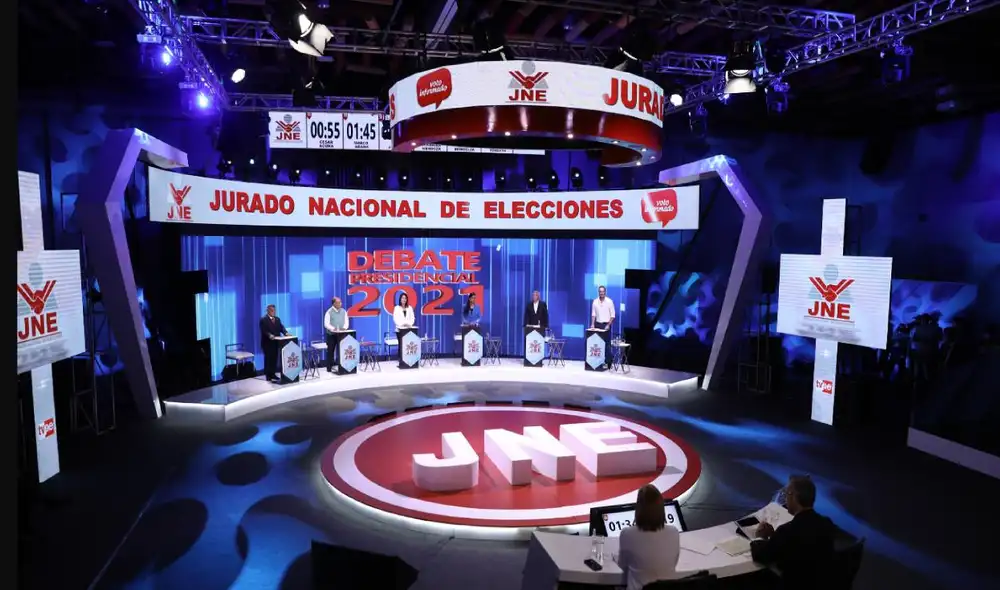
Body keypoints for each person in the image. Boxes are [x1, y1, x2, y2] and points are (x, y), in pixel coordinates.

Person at [751, 475, 837, 589]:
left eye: (786, 494)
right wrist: (774, 536)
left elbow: (761, 557)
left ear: (793, 496)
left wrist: (759, 537)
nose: (785, 499)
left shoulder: (787, 531)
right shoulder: (827, 523)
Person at [615, 484, 680, 590]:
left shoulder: (627, 534)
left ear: (638, 508)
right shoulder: (674, 532)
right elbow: (674, 562)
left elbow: (622, 565)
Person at [259, 304, 289, 382]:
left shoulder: (277, 319)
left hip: (276, 343)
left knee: (274, 359)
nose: (273, 312)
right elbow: (264, 330)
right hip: (267, 343)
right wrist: (269, 335)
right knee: (268, 359)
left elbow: (281, 327)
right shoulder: (263, 320)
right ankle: (268, 375)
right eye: (272, 310)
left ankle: (273, 374)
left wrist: (285, 333)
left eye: (274, 310)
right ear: (268, 310)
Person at [590, 285, 615, 368]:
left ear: (605, 292)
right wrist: (592, 324)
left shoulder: (609, 301)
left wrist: (608, 325)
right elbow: (593, 314)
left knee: (607, 344)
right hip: (597, 324)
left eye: (603, 291)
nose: (601, 293)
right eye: (600, 291)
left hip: (606, 325)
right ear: (598, 292)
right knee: (598, 344)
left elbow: (613, 315)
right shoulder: (595, 302)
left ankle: (609, 361)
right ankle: (599, 362)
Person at [323, 296, 349, 373]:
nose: (340, 304)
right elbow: (326, 324)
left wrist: (344, 328)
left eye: (340, 302)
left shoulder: (344, 311)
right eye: (338, 302)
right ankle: (329, 368)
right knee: (330, 351)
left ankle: (342, 366)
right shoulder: (329, 312)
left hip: (341, 335)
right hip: (331, 335)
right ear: (334, 303)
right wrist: (333, 329)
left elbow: (346, 322)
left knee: (342, 351)